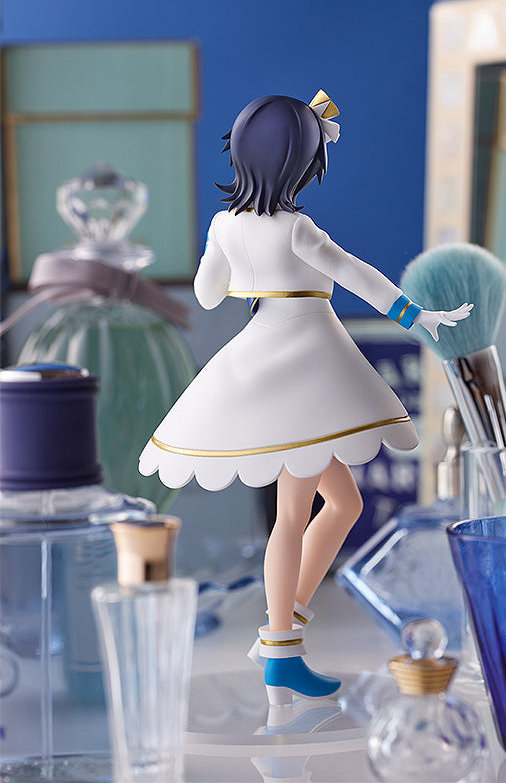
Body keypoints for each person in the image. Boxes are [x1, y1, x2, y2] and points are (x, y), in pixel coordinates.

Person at [139, 91, 472, 705]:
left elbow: (208, 295)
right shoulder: (295, 227)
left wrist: (242, 268)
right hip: (307, 369)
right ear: (297, 161)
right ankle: (281, 651)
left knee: (342, 502)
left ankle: (282, 624)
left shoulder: (225, 224)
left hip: (265, 353)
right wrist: (415, 315)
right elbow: (354, 273)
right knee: (294, 515)